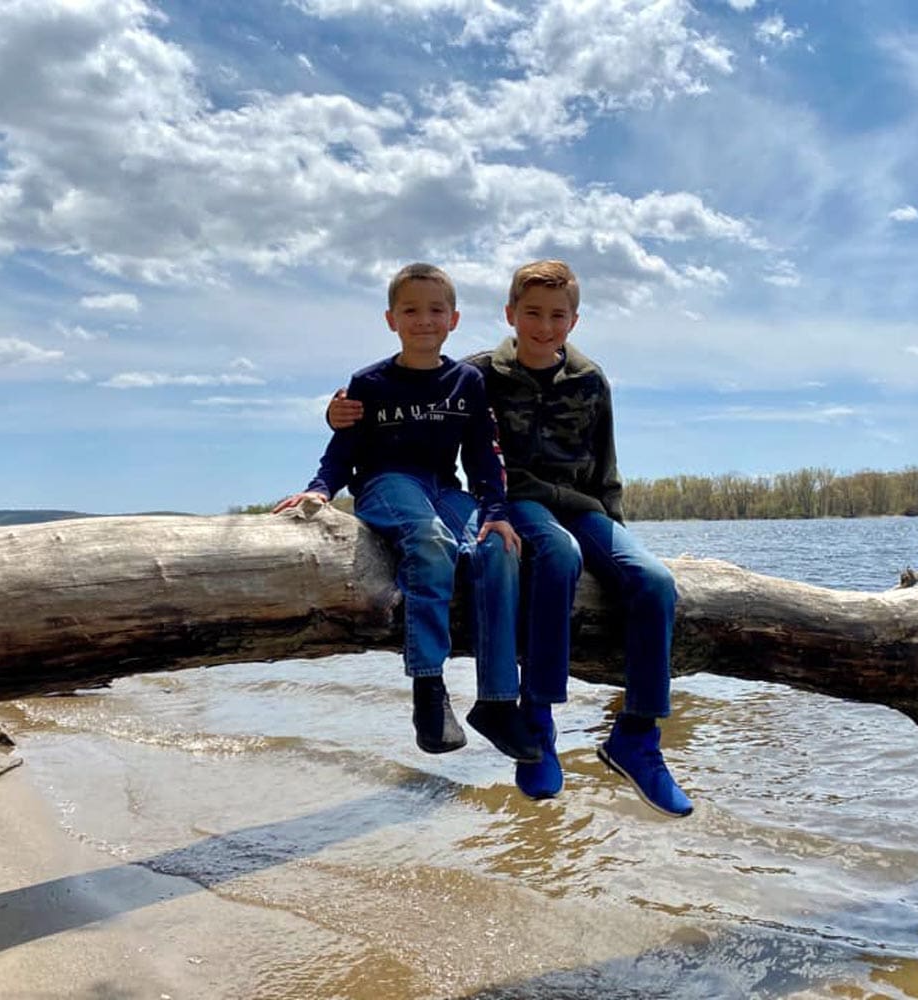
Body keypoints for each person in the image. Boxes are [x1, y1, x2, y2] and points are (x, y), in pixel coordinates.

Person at [328, 260, 693, 817]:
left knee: (654, 581)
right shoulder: (477, 374)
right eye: (532, 314)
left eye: (557, 316)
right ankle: (538, 721)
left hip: (583, 505)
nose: (544, 327)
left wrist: (616, 536)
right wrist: (340, 415)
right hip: (518, 500)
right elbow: (422, 396)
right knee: (556, 555)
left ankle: (637, 738)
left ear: (574, 320)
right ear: (510, 315)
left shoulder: (591, 380)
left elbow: (606, 463)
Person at [275, 262, 539, 765]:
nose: (424, 320)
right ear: (391, 319)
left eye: (435, 310)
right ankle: (428, 687)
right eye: (411, 310)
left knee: (499, 548)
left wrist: (496, 511)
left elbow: (482, 454)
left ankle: (499, 701)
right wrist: (319, 490)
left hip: (445, 487)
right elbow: (342, 448)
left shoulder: (466, 382)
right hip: (385, 484)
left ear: (454, 319)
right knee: (431, 540)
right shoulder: (369, 382)